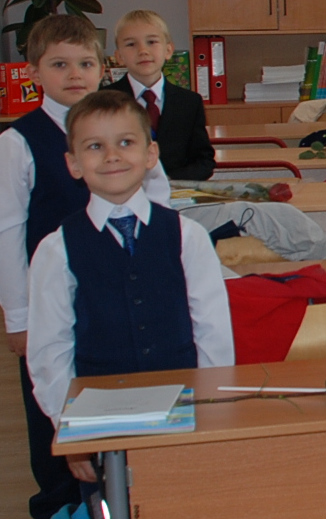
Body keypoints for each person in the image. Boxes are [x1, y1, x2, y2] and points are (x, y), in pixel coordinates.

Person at [0, 14, 174, 519]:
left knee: (123, 386)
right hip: (53, 297)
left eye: (85, 64)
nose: (75, 75)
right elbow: (4, 234)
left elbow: (159, 195)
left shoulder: (125, 123)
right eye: (59, 65)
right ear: (34, 72)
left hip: (124, 289)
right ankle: (63, 517)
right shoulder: (19, 142)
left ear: (102, 68)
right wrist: (18, 316)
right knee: (54, 398)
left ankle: (132, 508)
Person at [25, 91, 234, 483]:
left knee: (185, 498)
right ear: (73, 163)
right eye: (94, 146)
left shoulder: (187, 236)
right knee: (115, 510)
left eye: (125, 142)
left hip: (183, 407)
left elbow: (213, 331)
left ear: (151, 154)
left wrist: (213, 407)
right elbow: (49, 349)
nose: (112, 156)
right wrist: (67, 426)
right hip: (99, 419)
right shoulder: (56, 249)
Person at [105, 8, 213, 181]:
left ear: (168, 50)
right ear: (119, 57)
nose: (143, 51)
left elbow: (204, 162)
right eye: (131, 44)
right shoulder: (103, 101)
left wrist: (167, 181)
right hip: (121, 188)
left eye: (152, 42)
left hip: (175, 190)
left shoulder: (189, 102)